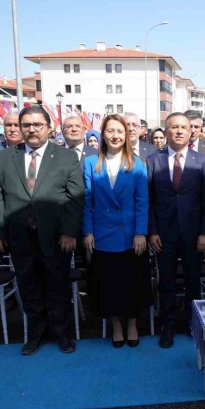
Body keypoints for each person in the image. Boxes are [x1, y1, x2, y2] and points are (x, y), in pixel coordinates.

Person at [0, 106, 84, 355]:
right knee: (29, 289)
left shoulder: (66, 157)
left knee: (58, 289)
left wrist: (69, 232)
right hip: (19, 237)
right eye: (26, 124)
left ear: (49, 128)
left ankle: (62, 334)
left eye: (37, 124)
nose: (31, 129)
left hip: (56, 237)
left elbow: (75, 197)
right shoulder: (6, 156)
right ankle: (36, 335)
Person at [147, 112, 205, 349]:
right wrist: (152, 230)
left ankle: (191, 323)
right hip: (163, 234)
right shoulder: (153, 161)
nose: (178, 131)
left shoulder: (202, 160)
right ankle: (167, 325)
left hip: (193, 233)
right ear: (165, 132)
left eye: (183, 128)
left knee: (192, 281)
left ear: (190, 132)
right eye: (173, 127)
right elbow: (150, 199)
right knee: (166, 280)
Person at [82, 115, 149, 348]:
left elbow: (142, 202)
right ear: (103, 134)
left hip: (130, 236)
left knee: (132, 284)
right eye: (110, 131)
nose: (115, 135)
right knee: (109, 285)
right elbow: (87, 201)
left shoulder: (137, 163)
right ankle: (116, 326)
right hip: (102, 235)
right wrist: (87, 231)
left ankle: (131, 324)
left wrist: (141, 232)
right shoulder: (91, 163)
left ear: (127, 134)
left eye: (120, 131)